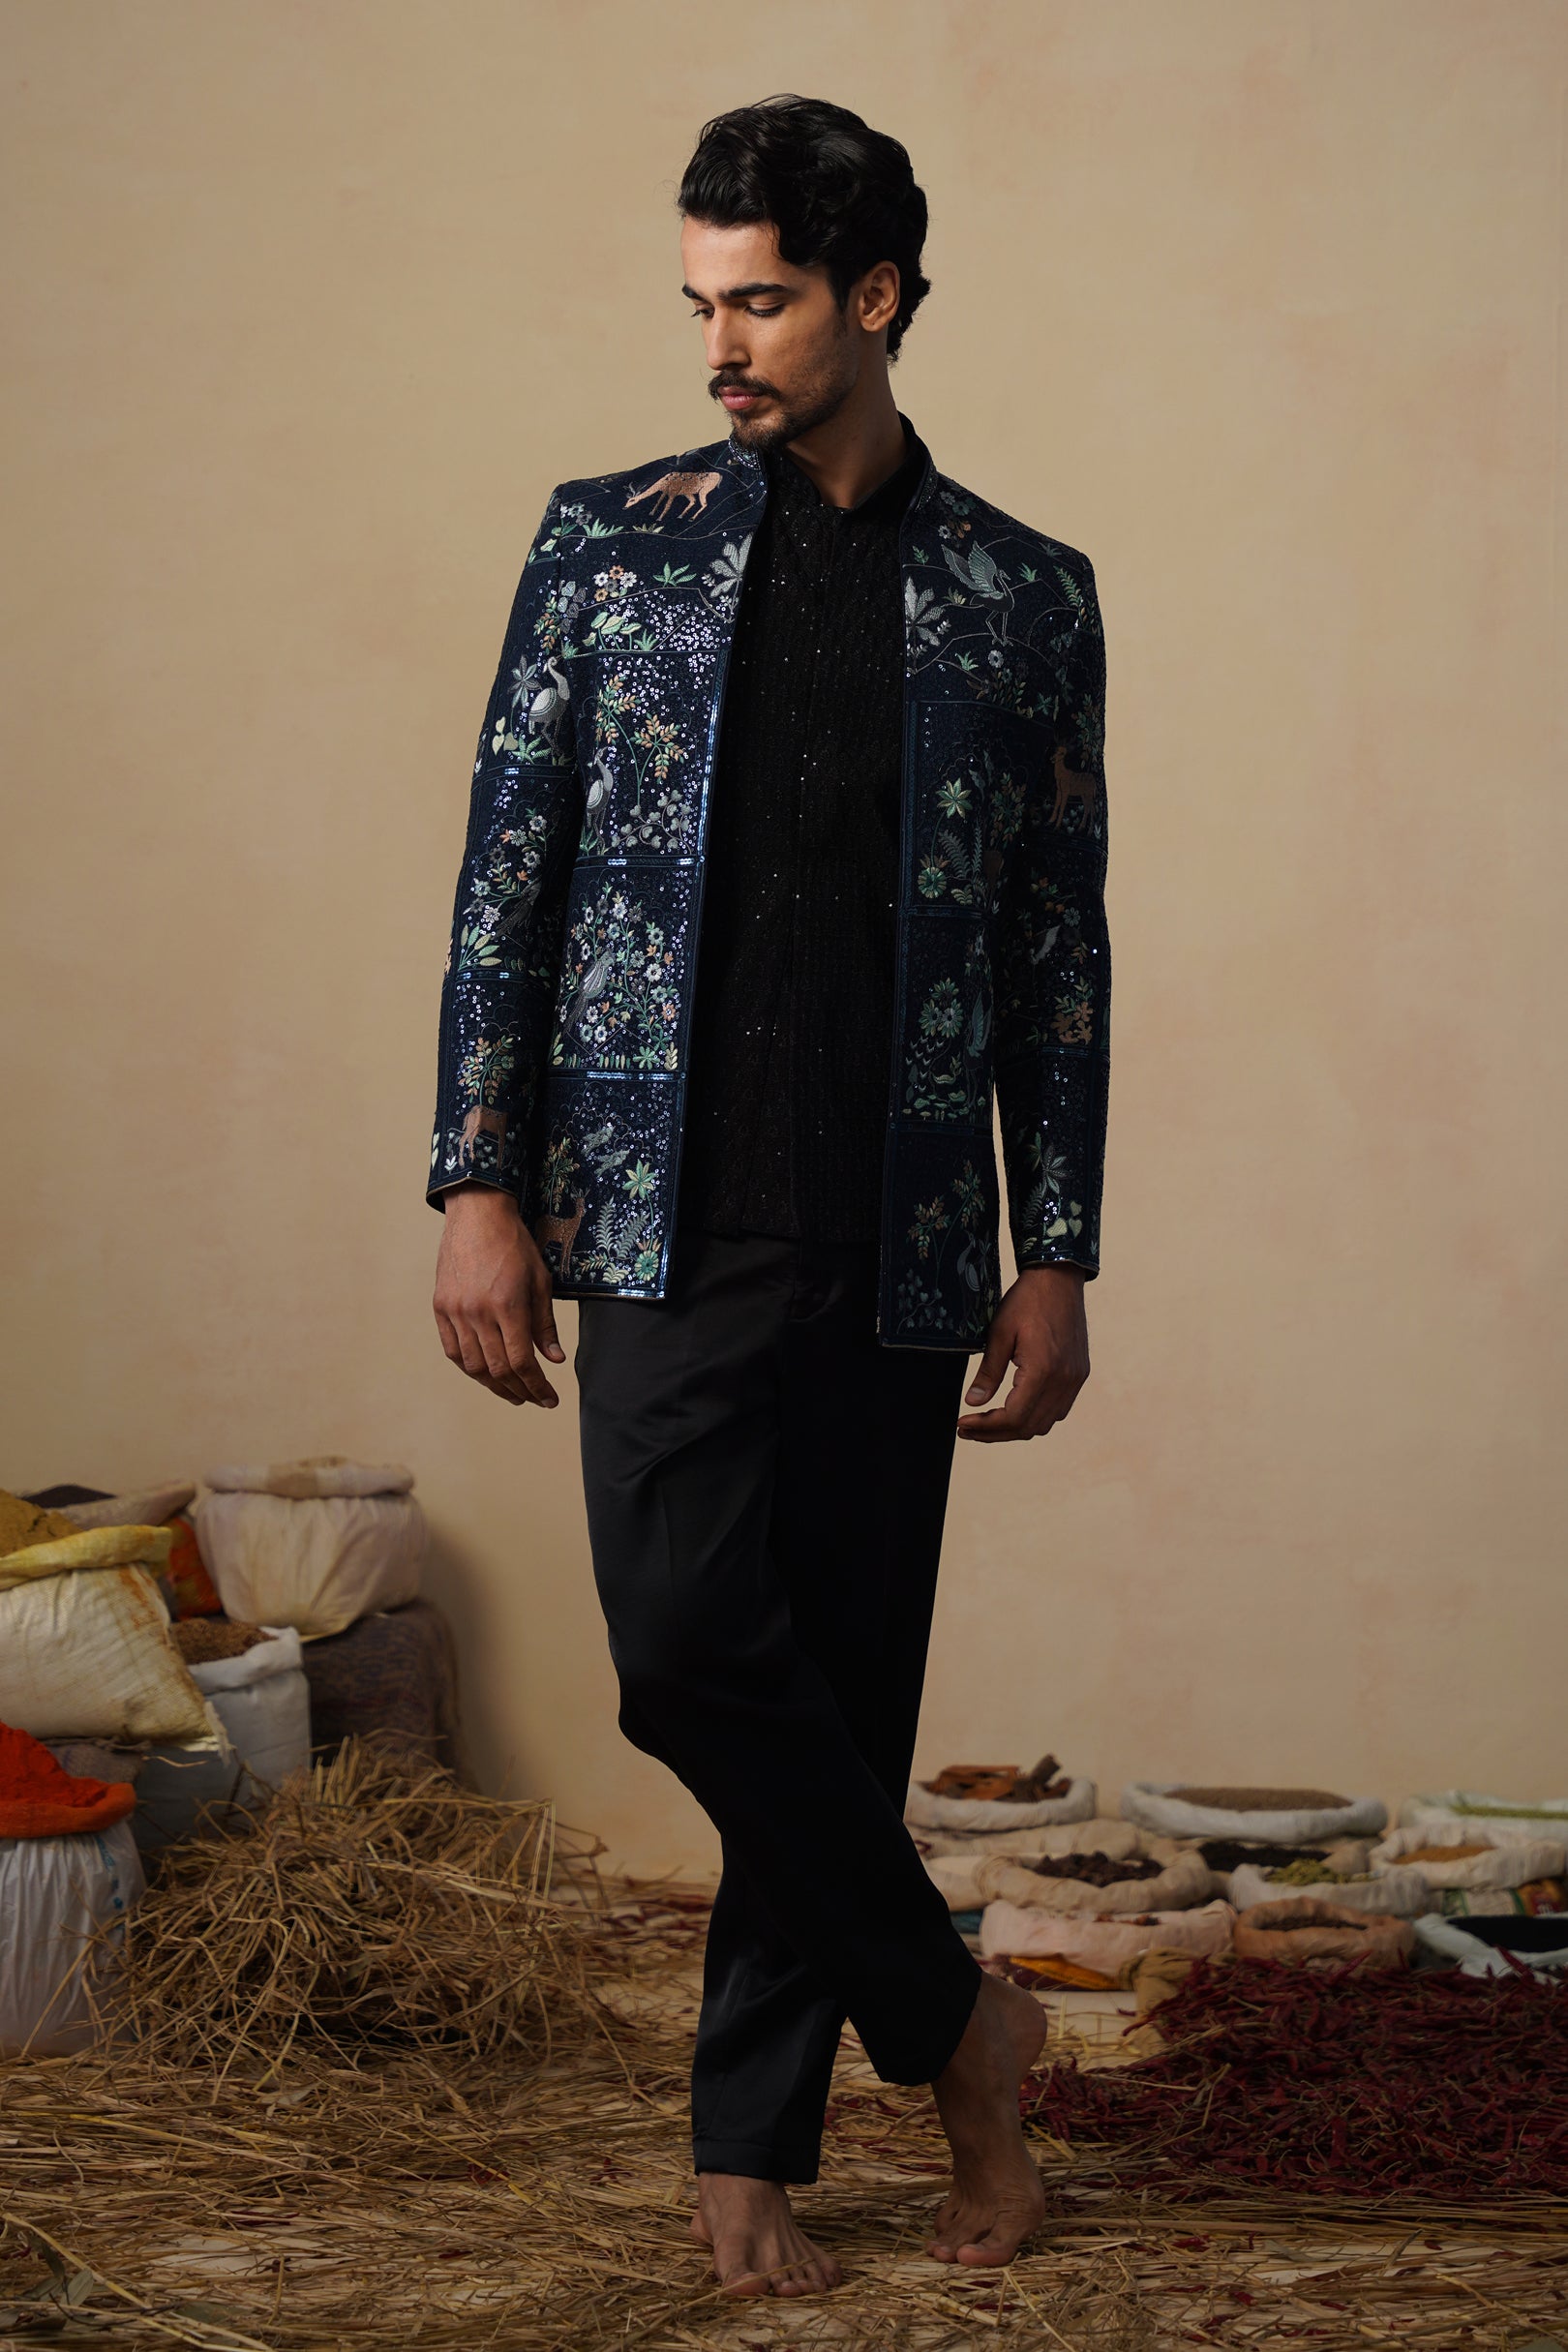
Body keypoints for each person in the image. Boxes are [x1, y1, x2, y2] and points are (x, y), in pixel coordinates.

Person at [429, 93, 1110, 2299]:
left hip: (899, 1232)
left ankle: (753, 2155)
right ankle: (962, 2028)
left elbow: (1057, 949)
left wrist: (1057, 1244)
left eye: (764, 301)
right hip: (660, 1210)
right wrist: (478, 1176)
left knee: (835, 1693)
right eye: (701, 302)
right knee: (693, 1653)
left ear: (876, 297)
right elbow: (509, 878)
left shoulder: (1025, 596)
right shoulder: (604, 548)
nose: (719, 344)